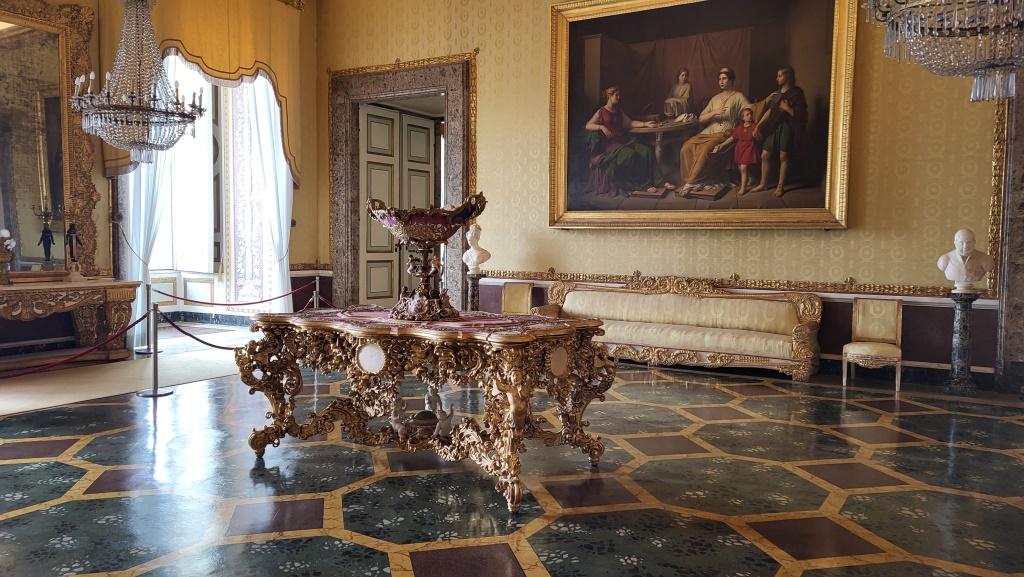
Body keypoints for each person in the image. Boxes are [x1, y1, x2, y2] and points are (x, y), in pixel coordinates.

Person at [584, 86, 675, 196]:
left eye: (619, 95)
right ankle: (644, 185)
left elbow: (630, 123)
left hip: (625, 141)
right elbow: (588, 125)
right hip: (611, 145)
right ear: (609, 96)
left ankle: (660, 181)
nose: (619, 97)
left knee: (646, 151)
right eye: (616, 95)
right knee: (631, 155)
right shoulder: (601, 111)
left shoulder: (619, 111)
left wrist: (645, 124)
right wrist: (601, 127)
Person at [679, 67, 750, 194]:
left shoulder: (738, 96)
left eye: (724, 78)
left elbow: (750, 111)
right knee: (686, 147)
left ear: (731, 81)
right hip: (710, 130)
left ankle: (691, 183)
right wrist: (714, 112)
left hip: (726, 132)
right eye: (719, 79)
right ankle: (695, 180)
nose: (721, 81)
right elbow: (701, 118)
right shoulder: (715, 98)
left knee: (706, 150)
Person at [750, 65, 807, 198]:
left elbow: (802, 115)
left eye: (780, 76)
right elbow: (770, 111)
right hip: (774, 127)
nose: (777, 78)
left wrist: (787, 108)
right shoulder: (776, 94)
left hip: (787, 127)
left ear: (787, 76)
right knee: (765, 155)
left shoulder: (796, 93)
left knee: (783, 156)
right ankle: (763, 184)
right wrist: (758, 125)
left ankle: (780, 186)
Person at [712, 107, 759, 196]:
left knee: (743, 167)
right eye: (747, 115)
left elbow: (760, 137)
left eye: (751, 114)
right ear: (742, 118)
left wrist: (757, 135)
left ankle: (743, 188)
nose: (750, 116)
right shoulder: (739, 128)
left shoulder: (754, 126)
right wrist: (722, 145)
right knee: (740, 167)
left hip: (749, 147)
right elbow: (731, 138)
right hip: (740, 148)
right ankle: (752, 178)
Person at [936, 228, 995, 293]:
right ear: (955, 243)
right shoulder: (944, 260)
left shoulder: (986, 260)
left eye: (969, 242)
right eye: (961, 243)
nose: (965, 246)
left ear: (974, 242)